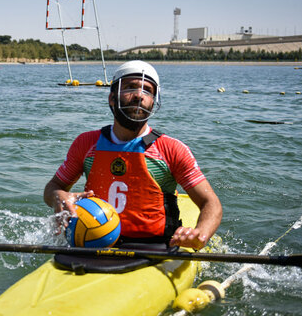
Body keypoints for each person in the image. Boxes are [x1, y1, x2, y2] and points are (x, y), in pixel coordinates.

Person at [43, 60, 221, 250]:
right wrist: (59, 197)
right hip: (91, 243)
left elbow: (211, 203)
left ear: (153, 101)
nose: (139, 95)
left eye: (147, 90)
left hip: (156, 246)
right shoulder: (86, 143)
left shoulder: (171, 149)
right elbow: (53, 187)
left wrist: (200, 233)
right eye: (130, 88)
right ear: (112, 98)